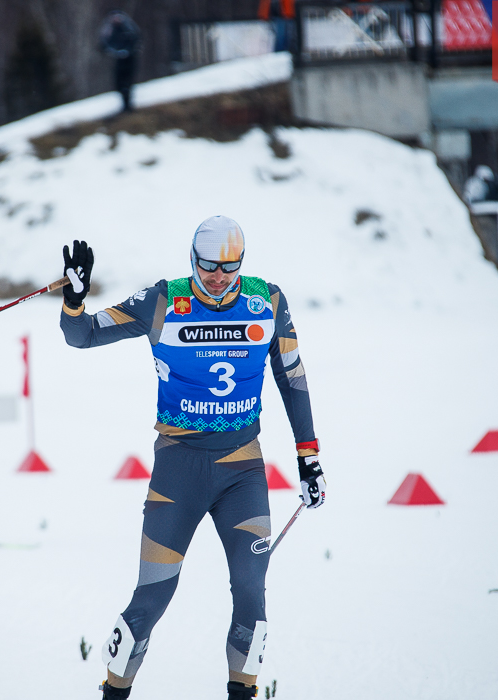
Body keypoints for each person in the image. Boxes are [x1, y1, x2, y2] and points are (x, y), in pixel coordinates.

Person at [59, 217, 326, 700]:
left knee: (251, 592)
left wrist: (309, 458)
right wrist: (75, 301)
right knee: (153, 596)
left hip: (242, 470)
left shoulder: (267, 301)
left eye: (229, 268)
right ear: (192, 260)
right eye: (208, 268)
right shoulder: (162, 300)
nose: (219, 278)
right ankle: (114, 692)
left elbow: (293, 377)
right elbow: (82, 335)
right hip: (178, 471)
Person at [98, 10, 141, 113]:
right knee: (119, 84)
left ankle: (128, 106)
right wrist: (116, 52)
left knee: (128, 83)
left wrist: (127, 51)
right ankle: (125, 104)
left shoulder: (128, 28)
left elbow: (136, 40)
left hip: (130, 59)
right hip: (118, 61)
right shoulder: (110, 30)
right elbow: (104, 44)